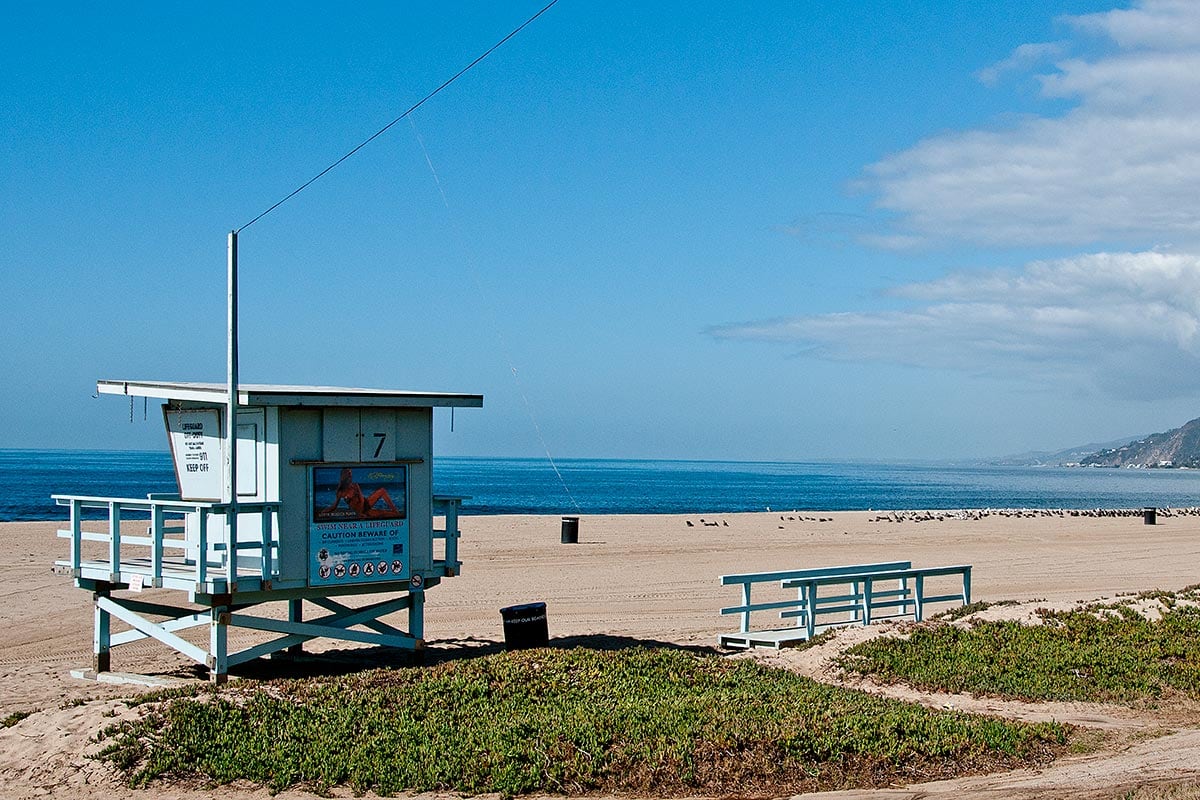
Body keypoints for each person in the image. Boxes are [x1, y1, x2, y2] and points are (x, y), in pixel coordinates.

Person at [322, 468, 400, 519]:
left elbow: (362, 500)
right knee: (386, 514)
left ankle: (395, 510)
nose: (350, 475)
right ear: (344, 475)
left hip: (365, 504)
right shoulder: (340, 491)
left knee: (382, 490)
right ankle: (395, 513)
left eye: (351, 473)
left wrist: (359, 514)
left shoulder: (355, 485)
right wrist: (323, 513)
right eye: (349, 473)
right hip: (362, 510)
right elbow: (334, 506)